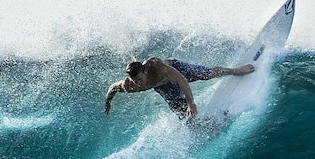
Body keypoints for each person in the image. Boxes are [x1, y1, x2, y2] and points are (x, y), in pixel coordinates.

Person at [103, 57, 255, 119]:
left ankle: (234, 71)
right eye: (135, 81)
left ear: (145, 70)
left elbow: (182, 81)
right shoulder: (131, 85)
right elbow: (113, 88)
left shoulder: (158, 67)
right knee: (181, 113)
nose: (139, 83)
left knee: (206, 74)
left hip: (177, 71)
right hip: (164, 88)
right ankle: (203, 125)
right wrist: (108, 102)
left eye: (140, 79)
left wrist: (192, 103)